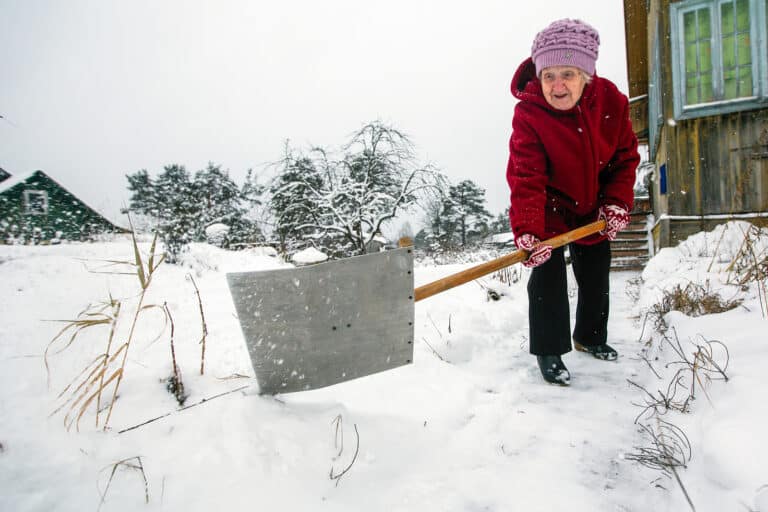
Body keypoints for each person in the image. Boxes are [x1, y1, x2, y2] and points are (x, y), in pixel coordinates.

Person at [505, 18, 640, 385]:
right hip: (548, 207)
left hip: (593, 203)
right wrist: (530, 230)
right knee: (547, 277)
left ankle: (590, 336)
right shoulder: (530, 115)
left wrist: (614, 202)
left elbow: (625, 158)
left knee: (595, 269)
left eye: (568, 73)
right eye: (548, 75)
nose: (557, 85)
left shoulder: (611, 102)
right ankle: (549, 350)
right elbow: (526, 175)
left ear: (587, 74)